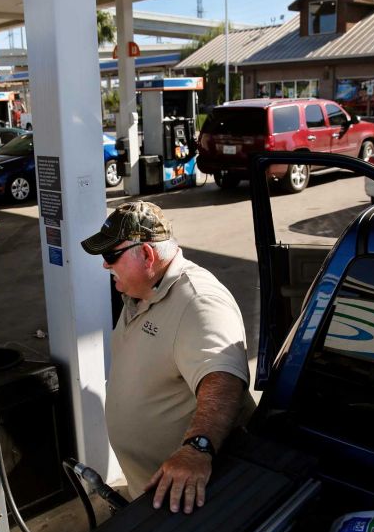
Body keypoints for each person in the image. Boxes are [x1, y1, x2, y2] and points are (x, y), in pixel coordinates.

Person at [81, 201, 252, 514]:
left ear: (146, 254)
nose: (106, 266)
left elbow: (224, 380)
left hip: (188, 497)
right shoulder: (139, 292)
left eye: (111, 256)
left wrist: (196, 449)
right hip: (151, 493)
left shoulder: (199, 303)